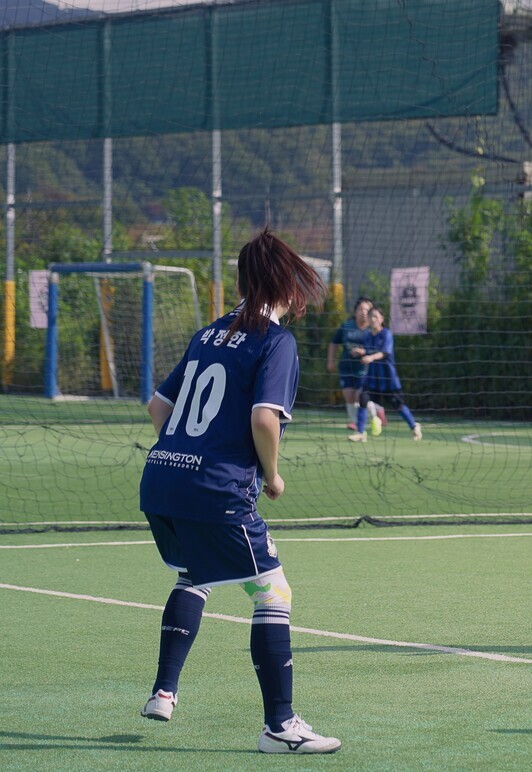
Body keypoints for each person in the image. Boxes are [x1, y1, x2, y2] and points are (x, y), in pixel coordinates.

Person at [138, 229, 340, 754]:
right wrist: (272, 475)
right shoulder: (276, 341)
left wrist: (187, 453)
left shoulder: (207, 334)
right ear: (288, 285)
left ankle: (164, 691)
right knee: (273, 593)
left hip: (161, 477)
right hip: (216, 489)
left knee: (196, 573)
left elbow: (159, 408)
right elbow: (263, 419)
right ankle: (281, 726)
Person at [348, 306, 423, 442]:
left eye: (376, 316)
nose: (373, 319)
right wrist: (362, 352)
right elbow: (369, 350)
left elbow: (384, 353)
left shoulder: (387, 334)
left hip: (388, 379)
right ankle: (360, 432)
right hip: (372, 379)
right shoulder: (368, 337)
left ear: (382, 319)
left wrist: (370, 357)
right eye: (371, 316)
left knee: (398, 405)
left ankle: (414, 426)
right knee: (363, 399)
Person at [327, 297, 385, 434]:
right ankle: (358, 426)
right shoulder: (346, 326)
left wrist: (364, 352)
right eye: (361, 309)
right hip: (346, 367)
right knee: (348, 396)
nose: (364, 312)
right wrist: (330, 360)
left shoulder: (373, 330)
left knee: (360, 396)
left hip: (365, 369)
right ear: (355, 311)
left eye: (367, 309)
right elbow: (334, 342)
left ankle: (376, 413)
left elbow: (380, 350)